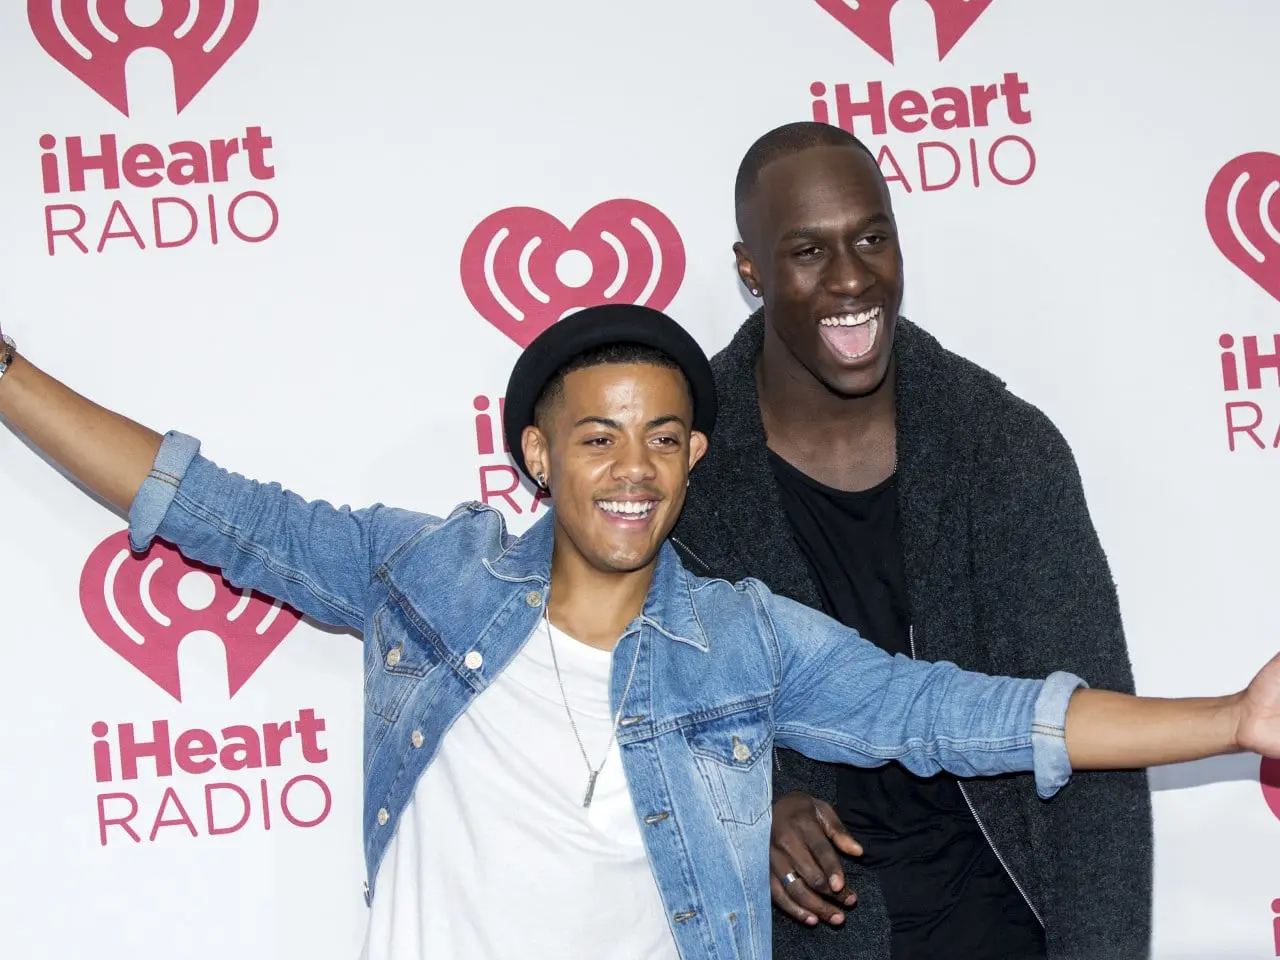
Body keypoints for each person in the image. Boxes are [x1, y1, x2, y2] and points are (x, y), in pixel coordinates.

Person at [0, 305, 1267, 960]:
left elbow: (957, 713)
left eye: (662, 437)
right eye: (597, 436)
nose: (631, 469)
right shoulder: (430, 578)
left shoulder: (742, 640)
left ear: (694, 459)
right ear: (537, 454)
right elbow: (212, 509)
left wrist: (1228, 719)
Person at [670, 121, 1152, 960]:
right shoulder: (682, 469)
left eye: (872, 239)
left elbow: (1093, 738)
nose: (851, 277)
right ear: (750, 270)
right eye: (808, 252)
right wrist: (750, 807)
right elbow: (635, 708)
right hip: (803, 938)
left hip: (1007, 922)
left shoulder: (1003, 449)